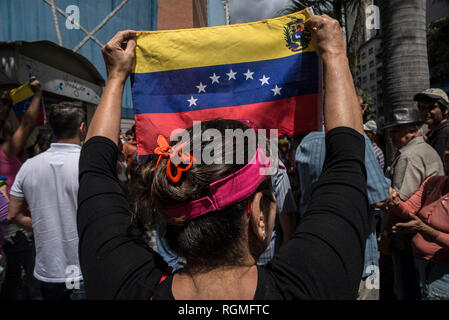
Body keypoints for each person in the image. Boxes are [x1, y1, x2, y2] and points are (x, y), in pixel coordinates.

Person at [77, 14, 369, 300]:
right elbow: (347, 158)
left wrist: (115, 78)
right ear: (258, 214)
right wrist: (333, 53)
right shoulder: (311, 284)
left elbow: (95, 168)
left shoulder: (123, 284)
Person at [296, 128, 390, 300]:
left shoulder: (306, 141)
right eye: (360, 106)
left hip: (316, 251)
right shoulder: (357, 138)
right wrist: (389, 188)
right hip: (359, 257)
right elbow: (379, 197)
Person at [7, 102, 86, 300]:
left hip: (48, 270)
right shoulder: (89, 163)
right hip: (81, 268)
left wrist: (44, 225)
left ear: (51, 128)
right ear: (82, 128)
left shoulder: (29, 166)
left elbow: (13, 214)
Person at [382, 107, 444, 300]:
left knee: (407, 290)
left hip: (407, 238)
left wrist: (386, 234)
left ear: (413, 130)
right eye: (389, 131)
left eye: (396, 131)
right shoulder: (425, 150)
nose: (390, 137)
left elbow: (401, 203)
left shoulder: (409, 155)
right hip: (423, 237)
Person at [384, 149, 449, 299]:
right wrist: (394, 202)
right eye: (446, 152)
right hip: (420, 263)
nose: (446, 157)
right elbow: (410, 209)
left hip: (442, 273)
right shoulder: (434, 182)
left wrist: (424, 229)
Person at [0, 77, 42, 300]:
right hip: (13, 226)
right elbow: (27, 124)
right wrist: (36, 95)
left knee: (13, 274)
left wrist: (7, 107)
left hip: (6, 226)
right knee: (21, 275)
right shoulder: (4, 154)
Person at [415, 88, 449, 161]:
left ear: (445, 110)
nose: (426, 112)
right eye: (422, 108)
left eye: (432, 107)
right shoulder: (432, 132)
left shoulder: (445, 133)